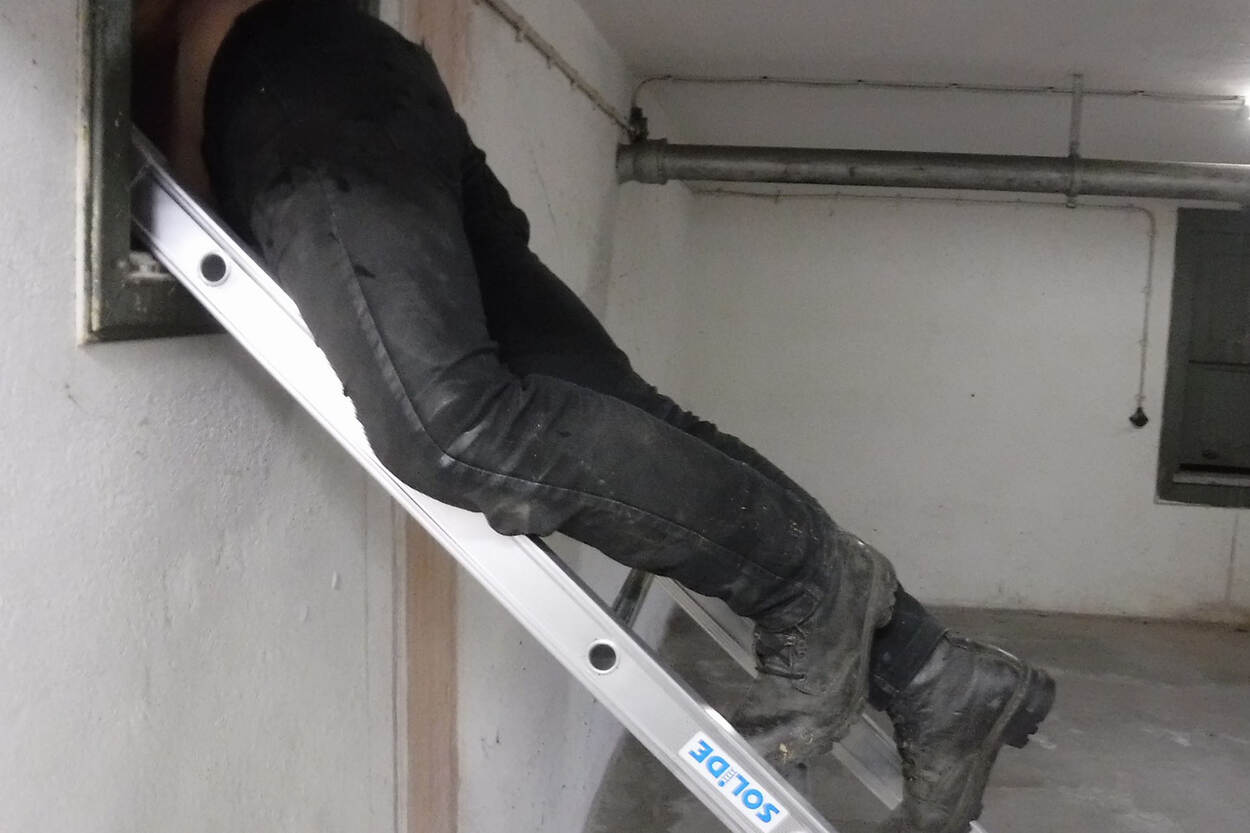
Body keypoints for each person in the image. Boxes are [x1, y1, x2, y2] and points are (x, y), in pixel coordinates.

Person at [133, 1, 1055, 830]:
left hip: (291, 86)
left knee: (447, 426)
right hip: (356, 75)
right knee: (613, 410)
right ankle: (932, 673)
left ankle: (813, 587)